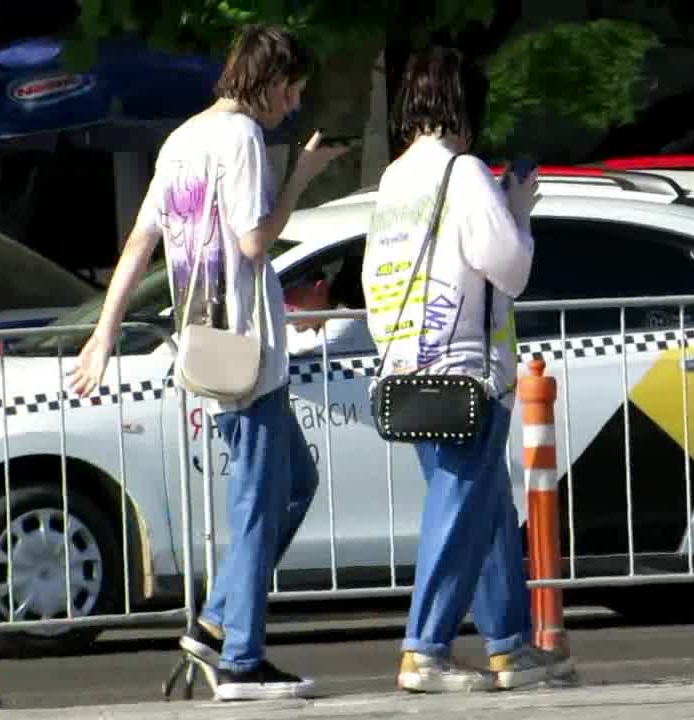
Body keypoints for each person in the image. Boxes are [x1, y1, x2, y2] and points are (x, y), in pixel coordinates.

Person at [66, 24, 349, 702]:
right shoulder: (242, 137)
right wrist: (301, 177)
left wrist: (103, 333)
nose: (294, 105)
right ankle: (241, 660)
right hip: (247, 348)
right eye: (293, 91)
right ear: (270, 82)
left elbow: (139, 244)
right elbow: (254, 241)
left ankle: (220, 621)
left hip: (208, 342)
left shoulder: (181, 141)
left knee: (293, 484)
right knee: (259, 503)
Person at [361, 45, 575, 694]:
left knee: (484, 507)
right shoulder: (465, 174)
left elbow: (373, 275)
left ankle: (508, 644)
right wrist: (519, 209)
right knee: (459, 509)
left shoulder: (394, 178)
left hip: (408, 367)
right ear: (466, 107)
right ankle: (424, 649)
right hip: (464, 370)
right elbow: (509, 267)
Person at [284, 256, 375, 357]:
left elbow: (308, 358)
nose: (285, 308)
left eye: (290, 297)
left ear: (320, 289)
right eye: (279, 299)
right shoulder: (311, 326)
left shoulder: (343, 320)